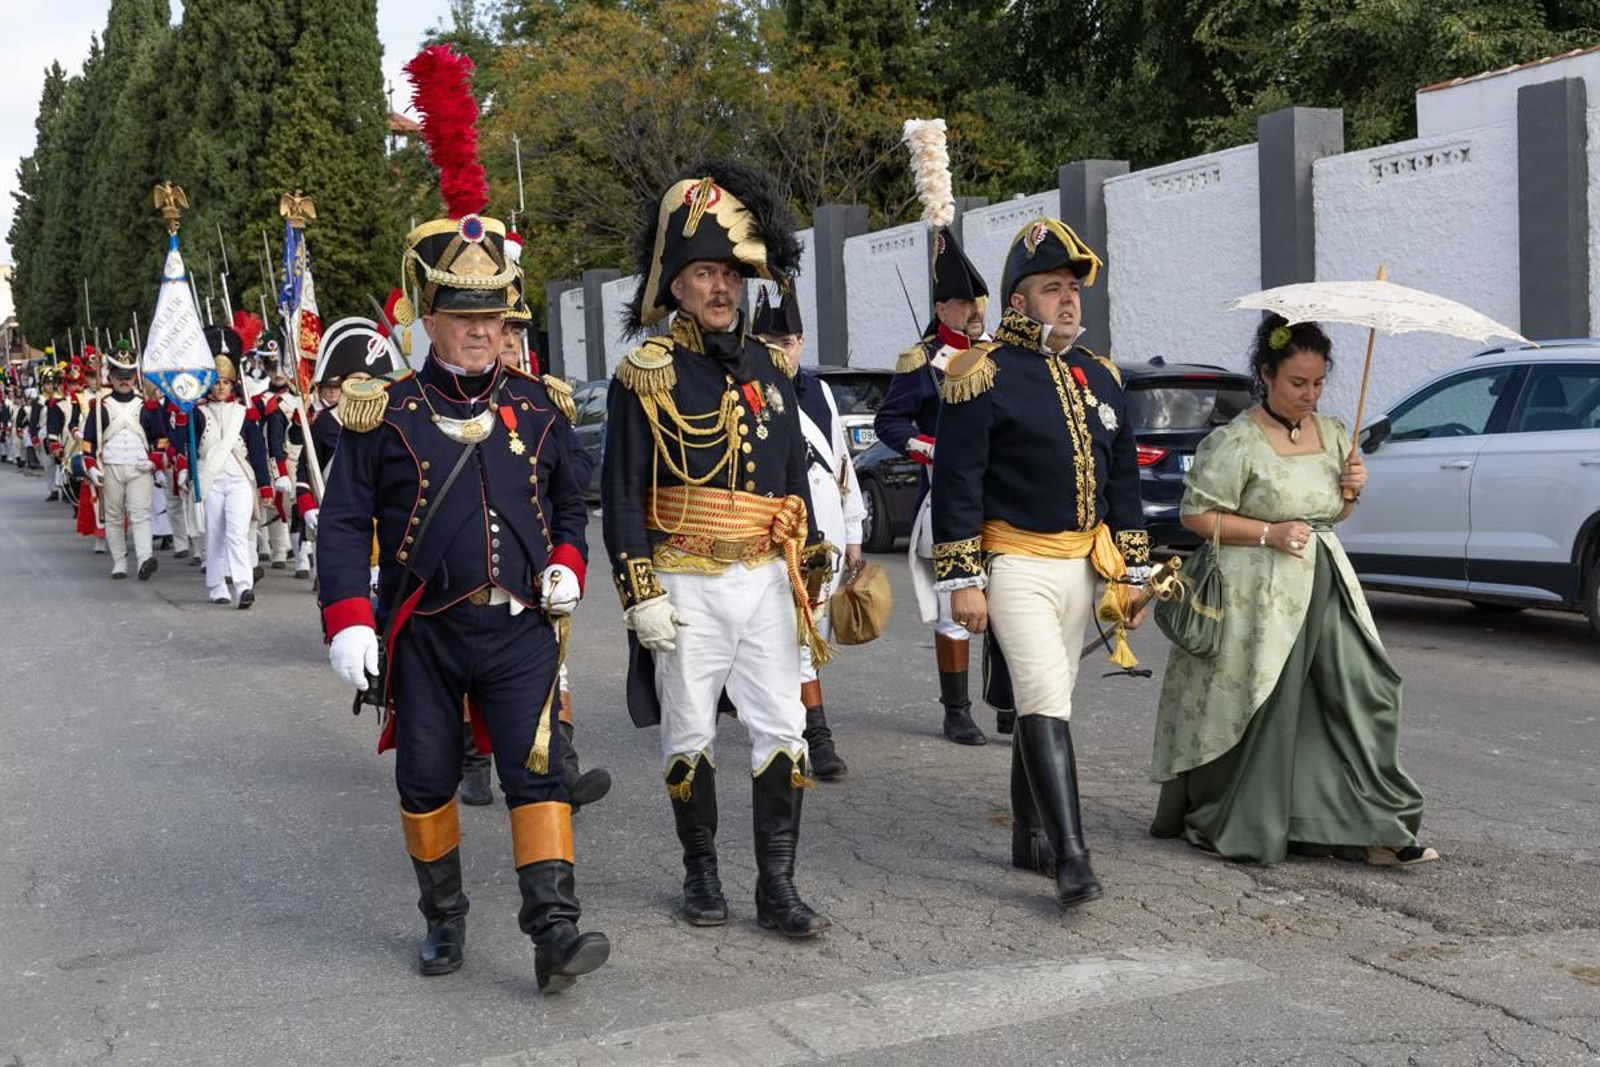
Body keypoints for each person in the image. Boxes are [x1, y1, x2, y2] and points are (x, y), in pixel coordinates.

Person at [317, 42, 607, 995]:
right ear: (429, 317)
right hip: (427, 633)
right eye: (463, 315)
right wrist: (349, 624)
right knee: (426, 781)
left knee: (537, 773)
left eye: (495, 315)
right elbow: (344, 521)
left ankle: (554, 928)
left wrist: (568, 555)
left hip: (522, 625)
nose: (484, 330)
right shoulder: (383, 409)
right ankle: (443, 915)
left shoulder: (545, 404)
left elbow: (572, 497)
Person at [603, 161, 832, 936]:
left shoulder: (771, 366)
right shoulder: (646, 375)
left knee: (783, 729)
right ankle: (701, 873)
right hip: (685, 578)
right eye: (705, 272)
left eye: (732, 272)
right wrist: (640, 593)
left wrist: (810, 559)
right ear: (675, 285)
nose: (722, 287)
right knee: (690, 732)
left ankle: (778, 885)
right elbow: (624, 493)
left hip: (764, 578)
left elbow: (795, 480)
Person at [1149, 316, 1436, 868]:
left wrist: (1353, 490)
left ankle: (1374, 825)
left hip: (1326, 584)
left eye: (1319, 382)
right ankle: (1244, 820)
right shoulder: (1235, 441)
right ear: (1266, 374)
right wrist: (1267, 532)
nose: (1310, 394)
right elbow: (1195, 516)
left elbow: (1333, 514)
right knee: (1268, 706)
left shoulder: (1333, 434)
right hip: (1256, 596)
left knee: (1358, 695)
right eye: (1297, 383)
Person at [931, 217, 1149, 909]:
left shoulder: (1101, 376)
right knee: (1046, 697)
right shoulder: (982, 373)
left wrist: (1133, 572)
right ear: (1018, 301)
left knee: (1044, 698)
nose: (1069, 300)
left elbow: (1124, 486)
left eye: (1074, 289)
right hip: (1014, 563)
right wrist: (963, 579)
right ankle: (1073, 860)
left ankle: (1030, 834)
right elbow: (958, 482)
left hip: (1083, 564)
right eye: (1052, 288)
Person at [873, 225, 994, 745]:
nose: (975, 310)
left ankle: (1009, 702)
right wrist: (927, 447)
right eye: (965, 302)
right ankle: (957, 709)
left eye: (979, 301)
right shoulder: (920, 361)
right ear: (943, 309)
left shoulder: (1002, 355)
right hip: (946, 496)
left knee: (1009, 605)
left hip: (1005, 500)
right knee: (955, 606)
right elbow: (889, 423)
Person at [752, 286, 860, 780]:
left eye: (792, 341)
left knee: (809, 633)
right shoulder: (746, 388)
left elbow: (841, 463)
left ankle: (785, 718)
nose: (785, 350)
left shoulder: (817, 390)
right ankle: (816, 737)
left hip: (827, 531)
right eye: (774, 341)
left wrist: (854, 529)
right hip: (776, 531)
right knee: (795, 638)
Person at [186, 326, 273, 607]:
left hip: (238, 479)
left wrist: (265, 484)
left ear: (233, 384)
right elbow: (185, 446)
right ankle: (216, 585)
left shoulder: (244, 414)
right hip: (210, 480)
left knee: (237, 533)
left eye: (225, 382)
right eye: (216, 382)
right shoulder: (196, 413)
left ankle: (243, 586)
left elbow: (258, 452)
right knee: (215, 535)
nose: (221, 387)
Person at [80, 346, 166, 580]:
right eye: (120, 377)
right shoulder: (100, 406)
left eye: (128, 377)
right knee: (114, 516)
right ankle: (119, 561)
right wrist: (91, 467)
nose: (125, 381)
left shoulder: (147, 405)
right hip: (111, 467)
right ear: (111, 378)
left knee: (141, 514)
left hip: (139, 468)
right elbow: (88, 443)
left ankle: (144, 560)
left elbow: (160, 438)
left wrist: (154, 461)